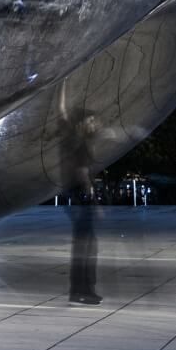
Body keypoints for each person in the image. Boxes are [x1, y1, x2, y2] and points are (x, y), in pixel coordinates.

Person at [64, 111, 101, 305]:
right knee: (84, 249)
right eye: (91, 120)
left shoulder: (84, 143)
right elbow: (82, 173)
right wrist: (93, 200)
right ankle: (80, 291)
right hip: (82, 203)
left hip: (82, 203)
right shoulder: (80, 145)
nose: (95, 124)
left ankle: (87, 289)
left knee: (89, 247)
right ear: (82, 123)